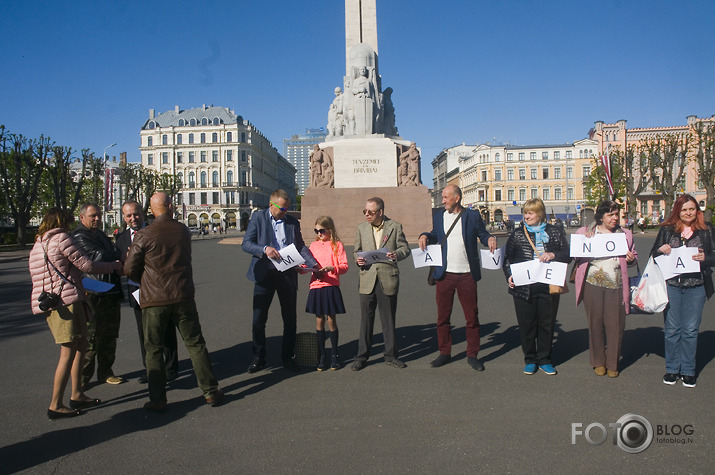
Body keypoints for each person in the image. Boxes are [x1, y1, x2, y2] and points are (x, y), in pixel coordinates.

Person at [124, 193, 223, 412]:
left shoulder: (144, 235)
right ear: (170, 206)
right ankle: (210, 391)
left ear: (151, 210)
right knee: (195, 344)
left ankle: (158, 399)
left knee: (154, 350)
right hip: (182, 295)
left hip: (154, 298)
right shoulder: (182, 230)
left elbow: (129, 269)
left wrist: (145, 276)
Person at [29, 208, 123, 419]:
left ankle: (77, 392)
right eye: (69, 222)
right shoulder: (61, 238)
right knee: (68, 352)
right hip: (67, 301)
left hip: (55, 301)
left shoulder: (38, 244)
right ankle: (56, 404)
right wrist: (114, 266)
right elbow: (86, 264)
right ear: (62, 222)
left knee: (81, 345)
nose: (71, 226)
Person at [418, 185, 496, 371]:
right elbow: (436, 235)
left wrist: (490, 239)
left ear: (457, 198)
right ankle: (444, 352)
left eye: (446, 197)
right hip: (444, 275)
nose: (443, 200)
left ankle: (472, 354)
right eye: (443, 197)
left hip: (467, 274)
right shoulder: (439, 216)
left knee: (471, 318)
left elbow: (483, 235)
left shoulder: (472, 216)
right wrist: (425, 235)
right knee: (443, 318)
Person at [242, 189, 319, 373]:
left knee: (290, 318)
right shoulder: (258, 218)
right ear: (271, 205)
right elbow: (246, 243)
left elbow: (299, 246)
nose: (285, 211)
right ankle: (259, 356)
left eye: (287, 208)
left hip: (287, 274)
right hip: (264, 275)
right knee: (259, 319)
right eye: (282, 209)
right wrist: (264, 249)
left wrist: (313, 264)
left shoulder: (292, 221)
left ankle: (287, 357)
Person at [650, 194, 715, 388]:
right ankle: (672, 369)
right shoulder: (668, 230)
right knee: (672, 329)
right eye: (684, 209)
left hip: (696, 287)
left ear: (697, 211)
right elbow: (654, 254)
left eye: (692, 209)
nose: (688, 213)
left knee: (690, 330)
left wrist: (705, 258)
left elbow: (714, 256)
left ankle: (687, 370)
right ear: (678, 211)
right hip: (672, 286)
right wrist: (661, 250)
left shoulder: (707, 230)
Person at [503, 198, 570, 375]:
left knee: (546, 324)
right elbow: (508, 259)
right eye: (525, 212)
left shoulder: (555, 232)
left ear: (540, 214)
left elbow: (567, 254)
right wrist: (509, 275)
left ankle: (545, 359)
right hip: (524, 287)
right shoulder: (517, 234)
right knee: (527, 324)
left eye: (530, 213)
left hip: (548, 285)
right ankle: (530, 359)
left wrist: (553, 254)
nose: (526, 216)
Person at [115, 201, 178, 384]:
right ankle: (151, 369)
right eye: (128, 216)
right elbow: (120, 267)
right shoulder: (121, 239)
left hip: (158, 287)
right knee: (144, 331)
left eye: (136, 214)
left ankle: (171, 367)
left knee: (165, 329)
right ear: (124, 217)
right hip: (136, 289)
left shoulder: (155, 231)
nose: (133, 218)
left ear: (142, 214)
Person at [574, 201, 637, 378]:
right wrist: (584, 241)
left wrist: (631, 259)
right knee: (595, 324)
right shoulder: (585, 232)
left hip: (616, 285)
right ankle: (598, 361)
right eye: (610, 214)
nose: (615, 218)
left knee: (616, 325)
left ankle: (612, 363)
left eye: (616, 214)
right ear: (601, 216)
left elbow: (634, 257)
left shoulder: (626, 234)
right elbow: (576, 255)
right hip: (592, 284)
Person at [352, 197, 411, 370]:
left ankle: (391, 355)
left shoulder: (395, 226)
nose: (367, 214)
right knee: (366, 320)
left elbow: (405, 248)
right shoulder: (361, 228)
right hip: (367, 277)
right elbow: (356, 251)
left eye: (370, 212)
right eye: (365, 211)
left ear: (380, 212)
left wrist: (395, 254)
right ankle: (361, 356)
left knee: (388, 319)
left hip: (387, 277)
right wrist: (359, 260)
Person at [72, 203, 125, 387]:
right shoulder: (79, 235)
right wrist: (117, 255)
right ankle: (82, 379)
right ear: (82, 218)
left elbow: (111, 252)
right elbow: (98, 256)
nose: (97, 218)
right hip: (93, 290)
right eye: (93, 215)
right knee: (91, 337)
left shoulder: (99, 234)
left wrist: (115, 254)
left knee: (109, 334)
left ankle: (106, 372)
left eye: (99, 215)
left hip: (108, 289)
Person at [306, 216, 349, 371]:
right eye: (316, 230)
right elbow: (307, 262)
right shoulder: (313, 245)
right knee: (319, 319)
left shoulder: (337, 245)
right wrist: (303, 268)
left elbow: (344, 266)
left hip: (331, 284)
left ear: (330, 230)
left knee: (331, 318)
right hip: (316, 285)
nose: (319, 233)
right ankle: (322, 355)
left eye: (322, 230)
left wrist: (333, 268)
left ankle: (335, 355)